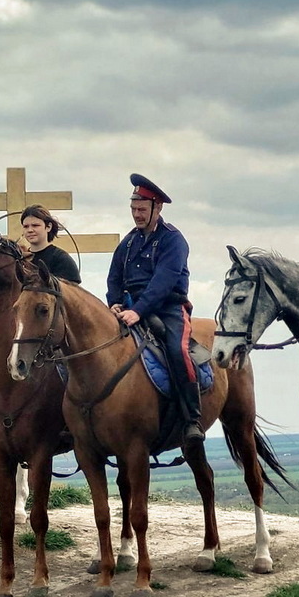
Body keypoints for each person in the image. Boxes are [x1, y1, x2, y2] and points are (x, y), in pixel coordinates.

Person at [106, 174, 203, 445]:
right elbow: (113, 276)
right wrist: (114, 302)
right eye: (133, 209)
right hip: (128, 307)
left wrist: (138, 310)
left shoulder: (173, 240)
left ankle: (191, 418)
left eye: (142, 209)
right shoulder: (127, 242)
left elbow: (164, 282)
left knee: (177, 349)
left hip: (168, 308)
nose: (137, 215)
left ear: (157, 208)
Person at [21, 204, 81, 283]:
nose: (30, 230)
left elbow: (72, 292)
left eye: (35, 225)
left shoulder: (61, 259)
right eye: (26, 226)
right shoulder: (21, 260)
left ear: (48, 227)